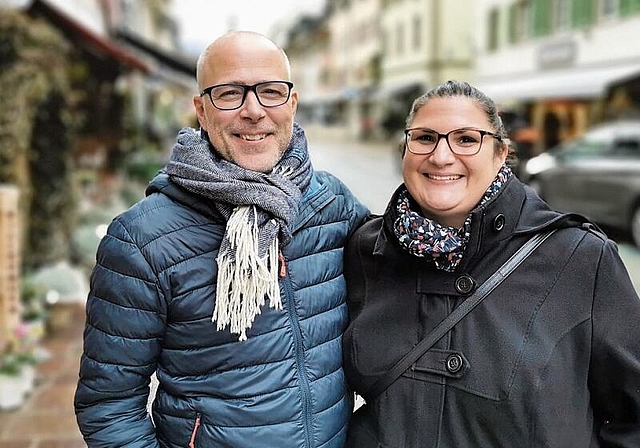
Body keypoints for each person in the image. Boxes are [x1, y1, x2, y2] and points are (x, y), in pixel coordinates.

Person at [74, 31, 368, 447]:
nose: (253, 111)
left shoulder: (330, 203)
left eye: (270, 92)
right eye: (229, 94)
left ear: (292, 104)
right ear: (201, 109)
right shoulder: (142, 240)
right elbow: (109, 404)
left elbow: (404, 266)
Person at [342, 80, 640, 447]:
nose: (441, 156)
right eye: (424, 138)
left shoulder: (580, 258)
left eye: (466, 139)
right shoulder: (365, 249)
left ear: (501, 154)